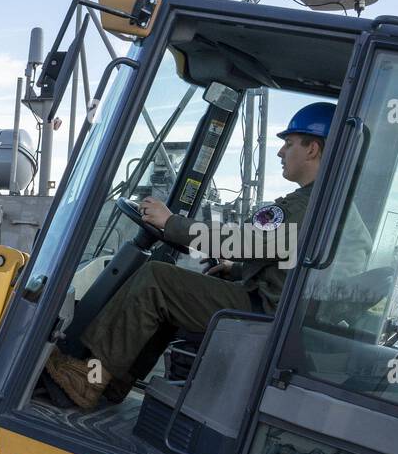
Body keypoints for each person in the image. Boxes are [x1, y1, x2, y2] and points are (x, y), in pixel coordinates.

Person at [45, 102, 337, 411]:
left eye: (289, 144)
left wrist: (170, 223)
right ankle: (113, 382)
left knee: (157, 279)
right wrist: (235, 272)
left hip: (269, 314)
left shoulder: (305, 206)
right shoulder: (322, 202)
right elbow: (281, 256)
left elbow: (237, 241)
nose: (280, 153)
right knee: (176, 294)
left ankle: (87, 380)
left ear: (312, 149)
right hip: (280, 310)